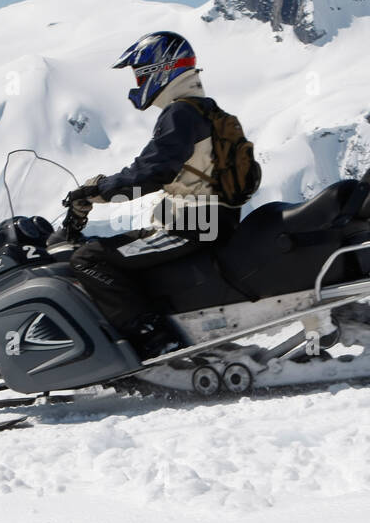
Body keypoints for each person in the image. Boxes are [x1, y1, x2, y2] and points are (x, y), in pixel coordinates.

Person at [63, 31, 248, 358]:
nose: (137, 81)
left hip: (194, 226)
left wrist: (98, 190)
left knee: (89, 258)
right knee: (122, 250)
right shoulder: (206, 110)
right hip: (206, 220)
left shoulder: (181, 113)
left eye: (140, 72)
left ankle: (158, 343)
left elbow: (151, 172)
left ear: (163, 69)